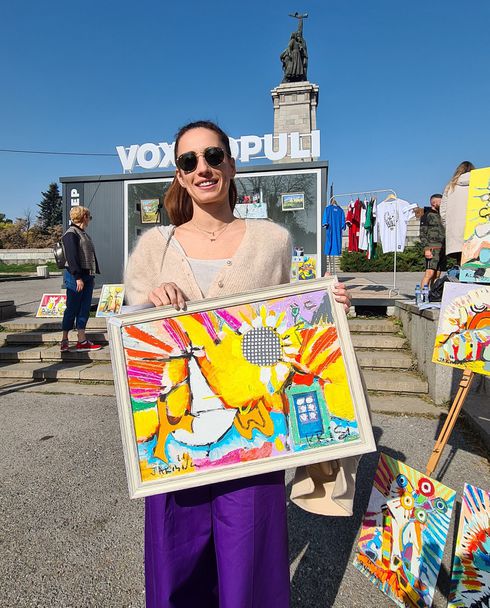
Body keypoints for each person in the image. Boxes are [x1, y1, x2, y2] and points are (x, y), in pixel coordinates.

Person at [124, 120, 352, 608]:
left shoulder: (272, 240)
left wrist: (327, 308)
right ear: (180, 175)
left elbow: (292, 324)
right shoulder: (153, 247)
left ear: (231, 164)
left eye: (212, 156)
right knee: (177, 566)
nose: (202, 168)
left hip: (254, 434)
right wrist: (148, 306)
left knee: (249, 567)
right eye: (189, 161)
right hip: (177, 442)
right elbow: (131, 344)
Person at [60, 206, 101, 352]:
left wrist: (91, 275)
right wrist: (77, 277)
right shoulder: (71, 234)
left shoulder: (83, 234)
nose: (90, 220)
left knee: (84, 308)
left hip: (87, 275)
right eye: (89, 217)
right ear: (84, 217)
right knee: (72, 307)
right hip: (75, 277)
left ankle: (82, 340)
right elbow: (71, 257)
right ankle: (64, 339)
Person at [440, 161, 476, 263]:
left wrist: (449, 227)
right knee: (479, 265)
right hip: (476, 230)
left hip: (456, 231)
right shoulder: (480, 184)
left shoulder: (450, 187)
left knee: (461, 263)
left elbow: (443, 212)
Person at [420, 193, 446, 289]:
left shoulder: (442, 215)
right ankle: (422, 294)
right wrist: (427, 249)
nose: (443, 204)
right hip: (432, 248)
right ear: (434, 203)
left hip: (442, 248)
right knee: (429, 273)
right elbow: (422, 234)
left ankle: (433, 294)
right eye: (441, 202)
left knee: (437, 275)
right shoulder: (427, 215)